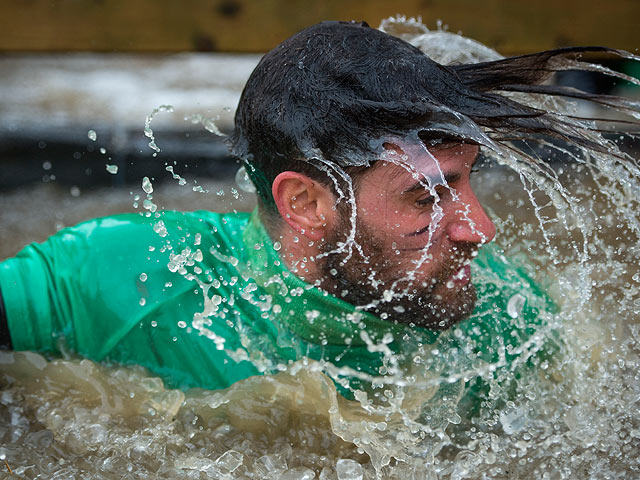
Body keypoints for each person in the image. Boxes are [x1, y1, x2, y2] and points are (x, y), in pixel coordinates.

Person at [0, 21, 630, 400]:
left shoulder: (513, 324)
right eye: (425, 195)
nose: (480, 229)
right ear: (305, 202)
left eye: (467, 183)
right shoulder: (117, 277)